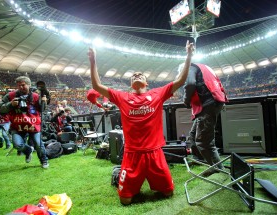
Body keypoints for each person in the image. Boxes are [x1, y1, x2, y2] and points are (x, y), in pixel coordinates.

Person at [88, 40, 194, 205]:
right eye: (133, 76)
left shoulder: (157, 94)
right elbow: (96, 85)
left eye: (140, 75)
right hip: (132, 155)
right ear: (130, 84)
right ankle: (123, 176)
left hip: (154, 153)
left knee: (168, 193)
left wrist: (189, 55)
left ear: (147, 83)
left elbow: (180, 80)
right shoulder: (122, 97)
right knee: (125, 201)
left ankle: (141, 179)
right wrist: (93, 60)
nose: (137, 75)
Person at [182, 63, 228, 177]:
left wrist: (186, 100)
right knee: (193, 135)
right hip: (212, 102)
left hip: (207, 104)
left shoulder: (190, 67)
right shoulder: (205, 67)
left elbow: (190, 84)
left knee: (203, 140)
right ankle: (198, 159)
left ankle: (217, 168)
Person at [0, 76, 49, 169]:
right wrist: (11, 104)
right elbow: (0, 108)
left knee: (39, 144)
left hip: (33, 125)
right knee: (17, 145)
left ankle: (44, 160)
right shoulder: (10, 96)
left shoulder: (36, 96)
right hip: (17, 126)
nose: (21, 87)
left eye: (23, 85)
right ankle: (28, 151)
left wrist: (44, 102)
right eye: (18, 85)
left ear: (29, 85)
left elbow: (42, 109)